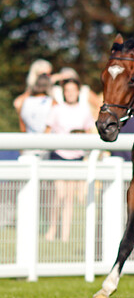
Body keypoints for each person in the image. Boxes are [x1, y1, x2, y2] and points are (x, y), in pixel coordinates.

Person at [44, 78, 96, 242]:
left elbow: (89, 132)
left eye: (73, 90)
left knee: (69, 198)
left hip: (76, 157)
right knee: (59, 195)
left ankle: (65, 234)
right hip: (59, 155)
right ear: (64, 92)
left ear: (78, 92)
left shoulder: (84, 110)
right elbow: (46, 131)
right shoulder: (57, 109)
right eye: (67, 90)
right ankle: (52, 230)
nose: (70, 93)